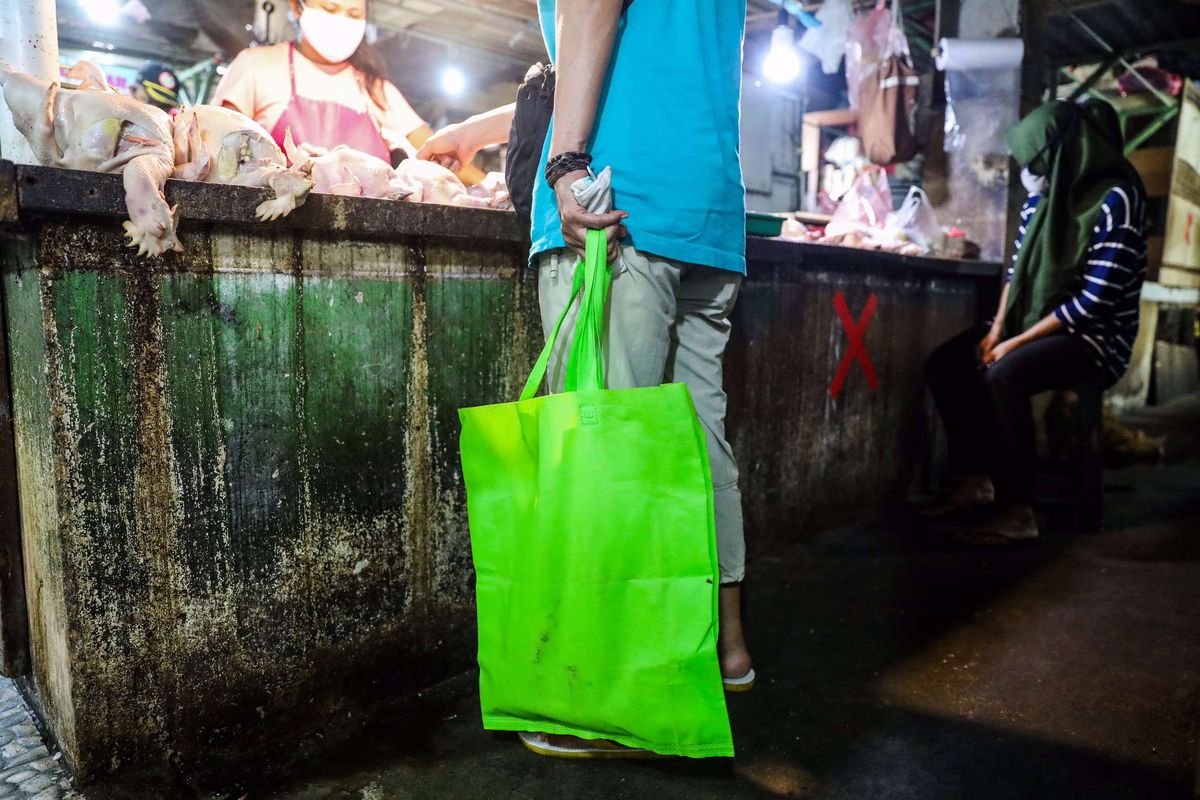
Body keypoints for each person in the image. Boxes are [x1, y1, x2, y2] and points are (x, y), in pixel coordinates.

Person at [421, 0, 753, 758]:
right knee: (699, 444)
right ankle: (724, 651)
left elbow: (594, 11)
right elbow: (648, 54)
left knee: (605, 449)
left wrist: (565, 160)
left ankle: (614, 694)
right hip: (706, 209)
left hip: (615, 201)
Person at [924, 99, 1147, 545]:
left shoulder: (1116, 201)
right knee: (948, 363)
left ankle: (1019, 509)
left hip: (1096, 338)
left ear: (1067, 154)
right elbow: (1018, 270)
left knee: (1004, 375)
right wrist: (996, 330)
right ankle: (976, 481)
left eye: (1037, 161)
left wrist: (1011, 346)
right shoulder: (1041, 199)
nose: (1029, 172)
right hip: (1035, 320)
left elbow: (1094, 303)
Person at [211, 0, 435, 168]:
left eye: (354, 14)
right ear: (297, 8)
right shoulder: (255, 65)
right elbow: (220, 149)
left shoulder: (375, 88)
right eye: (330, 9)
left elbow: (438, 154)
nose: (342, 21)